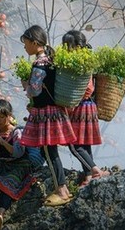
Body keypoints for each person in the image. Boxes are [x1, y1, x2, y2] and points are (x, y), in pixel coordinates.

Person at [19, 25, 76, 207]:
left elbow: (34, 91)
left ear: (35, 43)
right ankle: (64, 189)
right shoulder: (51, 60)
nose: (25, 47)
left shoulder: (38, 64)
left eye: (26, 43)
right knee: (53, 151)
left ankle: (60, 190)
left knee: (49, 152)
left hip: (45, 114)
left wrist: (25, 84)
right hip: (55, 110)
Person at [62, 30, 110, 187]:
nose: (66, 50)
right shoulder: (85, 59)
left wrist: (71, 103)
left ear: (77, 46)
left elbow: (87, 88)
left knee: (73, 143)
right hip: (86, 106)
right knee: (83, 142)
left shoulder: (84, 62)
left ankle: (94, 170)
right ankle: (89, 175)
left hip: (81, 106)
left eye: (68, 46)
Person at [0, 99, 36, 230]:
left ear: (9, 116)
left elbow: (17, 153)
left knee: (10, 182)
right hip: (2, 163)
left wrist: (3, 142)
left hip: (18, 164)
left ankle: (0, 213)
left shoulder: (16, 132)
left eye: (2, 117)